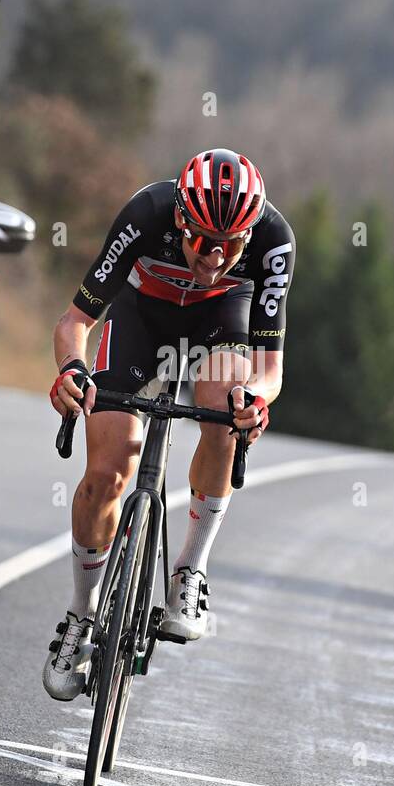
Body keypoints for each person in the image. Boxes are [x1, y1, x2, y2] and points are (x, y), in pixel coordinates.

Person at [42, 149, 295, 701]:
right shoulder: (147, 212)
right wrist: (71, 370)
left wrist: (254, 399)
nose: (217, 257)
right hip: (141, 318)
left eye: (232, 246)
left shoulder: (274, 240)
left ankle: (190, 571)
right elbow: (75, 322)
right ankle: (81, 616)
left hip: (219, 322)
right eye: (205, 242)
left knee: (227, 409)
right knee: (108, 473)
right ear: (181, 221)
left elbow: (270, 370)